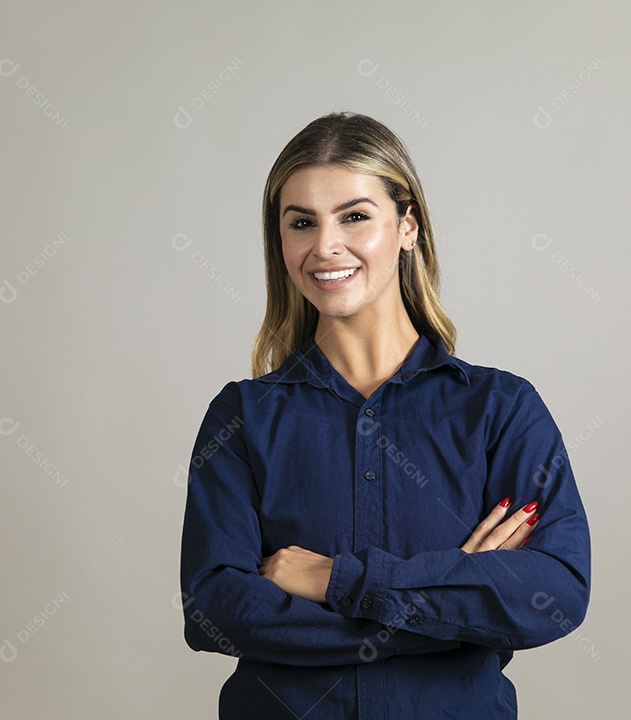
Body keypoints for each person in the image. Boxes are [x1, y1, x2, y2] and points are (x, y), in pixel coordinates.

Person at [179, 110, 591, 719]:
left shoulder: (501, 409)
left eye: (354, 216)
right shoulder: (242, 416)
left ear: (407, 226)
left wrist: (336, 581)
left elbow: (552, 592)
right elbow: (215, 609)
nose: (325, 246)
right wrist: (449, 605)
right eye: (301, 223)